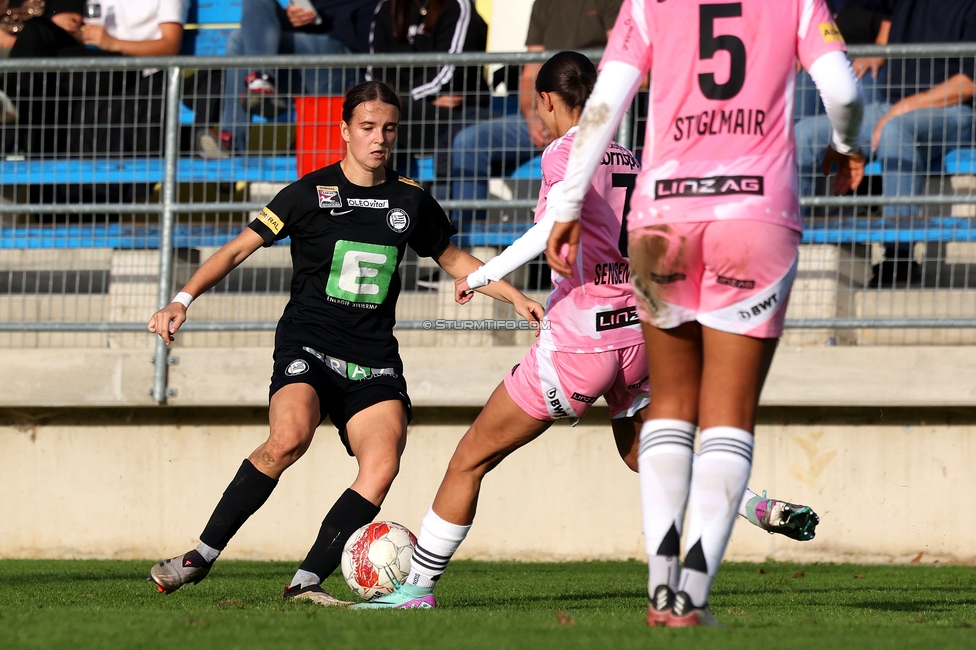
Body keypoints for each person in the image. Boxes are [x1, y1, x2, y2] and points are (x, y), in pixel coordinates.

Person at [352, 52, 821, 611]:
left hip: (581, 340)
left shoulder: (564, 151)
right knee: (642, 453)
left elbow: (552, 224)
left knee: (471, 457)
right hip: (639, 335)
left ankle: (416, 591)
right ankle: (755, 506)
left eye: (539, 104)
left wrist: (482, 273)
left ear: (547, 100)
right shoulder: (629, 156)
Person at [146, 80, 544, 605]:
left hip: (374, 360)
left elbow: (454, 260)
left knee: (382, 464)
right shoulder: (309, 194)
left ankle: (306, 581)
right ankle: (200, 555)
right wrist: (182, 298)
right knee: (288, 438)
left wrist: (513, 295)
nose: (379, 139)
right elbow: (236, 250)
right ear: (344, 130)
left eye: (389, 129)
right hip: (307, 347)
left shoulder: (411, 199)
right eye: (367, 128)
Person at [546, 0, 864, 627]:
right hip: (754, 217)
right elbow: (842, 89)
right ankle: (690, 595)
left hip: (664, 216)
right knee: (728, 415)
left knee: (668, 405)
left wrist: (569, 201)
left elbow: (604, 104)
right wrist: (846, 144)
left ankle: (661, 586)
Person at [796, 0, 976, 286]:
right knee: (805, 134)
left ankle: (898, 255)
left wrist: (902, 108)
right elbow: (874, 15)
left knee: (895, 130)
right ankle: (790, 237)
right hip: (891, 109)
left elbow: (968, 84)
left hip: (953, 113)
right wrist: (878, 53)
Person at [449, 0, 622, 223]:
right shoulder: (544, 4)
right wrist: (535, 118)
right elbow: (530, 72)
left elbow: (619, 65)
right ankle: (467, 242)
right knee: (468, 142)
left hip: (591, 120)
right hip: (546, 115)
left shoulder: (612, 3)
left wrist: (568, 124)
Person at [4, 0, 188, 157]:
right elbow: (91, 33)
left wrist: (113, 43)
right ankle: (11, 128)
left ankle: (10, 138)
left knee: (39, 75)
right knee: (37, 28)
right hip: (95, 60)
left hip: (129, 67)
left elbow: (170, 45)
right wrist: (74, 31)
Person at [218, 0, 375, 154]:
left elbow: (367, 32)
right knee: (240, 36)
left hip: (345, 62)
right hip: (308, 59)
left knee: (238, 40)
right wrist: (296, 17)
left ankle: (234, 138)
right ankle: (260, 83)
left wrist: (315, 21)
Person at [368, 0, 492, 179]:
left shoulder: (457, 5)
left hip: (457, 113)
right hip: (406, 110)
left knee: (388, 118)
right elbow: (376, 71)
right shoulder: (387, 6)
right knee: (373, 120)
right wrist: (404, 99)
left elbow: (447, 70)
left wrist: (399, 99)